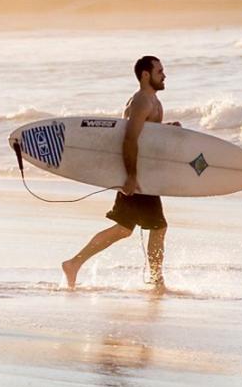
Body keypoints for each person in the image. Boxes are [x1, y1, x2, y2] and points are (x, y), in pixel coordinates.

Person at [62, 56, 171, 292]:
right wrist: (131, 176)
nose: (164, 75)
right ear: (145, 75)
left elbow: (145, 134)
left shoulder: (152, 100)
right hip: (136, 174)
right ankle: (156, 281)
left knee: (124, 228)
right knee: (156, 227)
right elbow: (129, 139)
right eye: (159, 71)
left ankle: (73, 264)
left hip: (141, 173)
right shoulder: (143, 100)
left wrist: (168, 131)